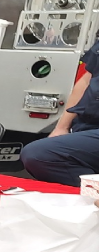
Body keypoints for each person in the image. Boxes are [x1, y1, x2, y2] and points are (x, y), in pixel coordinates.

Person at [21, 40, 99, 186]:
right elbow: (86, 81)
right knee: (39, 157)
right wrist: (61, 127)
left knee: (40, 154)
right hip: (85, 123)